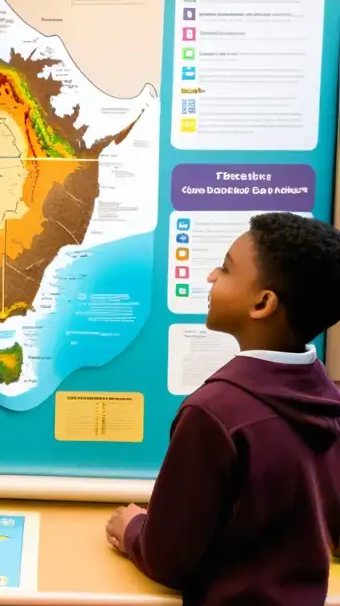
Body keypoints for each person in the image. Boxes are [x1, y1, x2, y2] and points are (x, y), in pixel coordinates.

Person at [105, 211, 340, 605]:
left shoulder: (214, 414)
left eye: (227, 269)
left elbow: (168, 560)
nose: (212, 276)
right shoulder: (328, 399)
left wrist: (132, 530)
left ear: (263, 303)